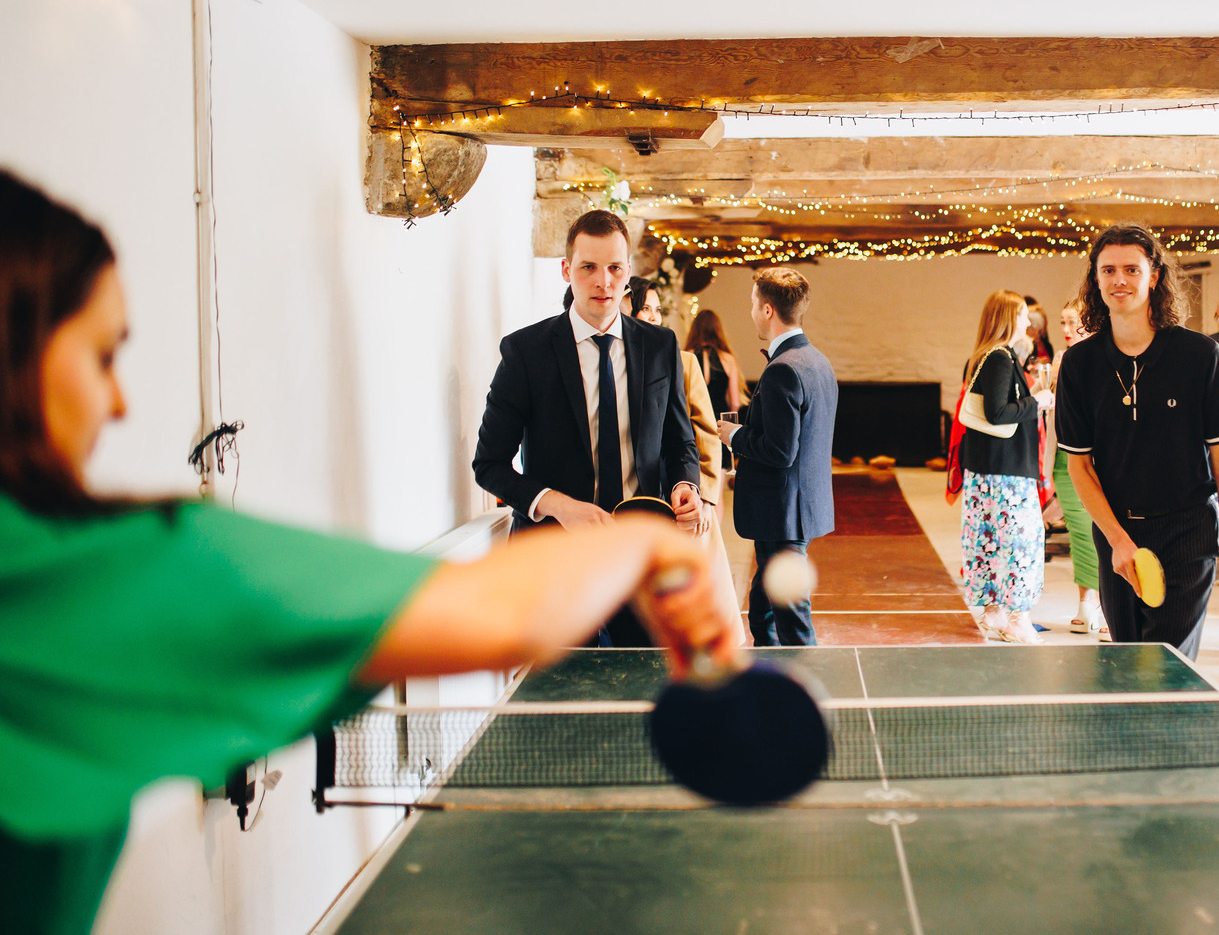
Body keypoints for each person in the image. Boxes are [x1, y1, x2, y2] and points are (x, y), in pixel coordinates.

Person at [0, 172, 737, 935]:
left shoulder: (62, 563)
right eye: (102, 354)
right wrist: (641, 546)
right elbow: (500, 597)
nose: (119, 401)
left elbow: (679, 447)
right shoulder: (99, 573)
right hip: (567, 565)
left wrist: (677, 500)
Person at [473, 210, 705, 647]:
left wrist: (685, 484)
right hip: (556, 559)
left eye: (615, 268)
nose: (604, 282)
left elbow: (680, 441)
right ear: (567, 270)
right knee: (564, 703)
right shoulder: (526, 352)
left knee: (643, 691)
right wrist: (560, 506)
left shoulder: (661, 346)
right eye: (589, 268)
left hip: (642, 556)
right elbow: (489, 464)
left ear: (629, 273)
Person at [1055, 223, 1219, 657]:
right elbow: (1079, 466)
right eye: (1108, 271)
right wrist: (1118, 541)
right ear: (1096, 278)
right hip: (1116, 533)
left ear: (1154, 276)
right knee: (1128, 660)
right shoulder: (1080, 366)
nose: (1119, 280)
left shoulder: (1199, 357)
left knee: (1167, 664)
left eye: (1131, 269)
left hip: (1187, 530)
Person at [717, 268, 838, 646]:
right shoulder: (817, 360)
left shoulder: (783, 370)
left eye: (754, 304)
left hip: (782, 512)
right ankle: (768, 674)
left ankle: (801, 692)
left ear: (768, 310)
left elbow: (780, 450)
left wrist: (734, 435)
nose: (752, 311)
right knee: (763, 608)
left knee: (792, 618)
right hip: (796, 508)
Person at [625, 278, 744, 643]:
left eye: (658, 310)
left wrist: (706, 495)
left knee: (691, 599)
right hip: (627, 501)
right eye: (646, 308)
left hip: (679, 496)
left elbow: (705, 433)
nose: (654, 317)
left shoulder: (684, 360)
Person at [958, 291, 1055, 644]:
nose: (1029, 322)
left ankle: (994, 611)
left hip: (988, 469)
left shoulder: (986, 356)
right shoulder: (1000, 357)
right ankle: (1017, 617)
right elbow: (997, 413)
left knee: (988, 541)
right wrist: (1038, 402)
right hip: (1006, 473)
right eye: (1023, 315)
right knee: (1021, 542)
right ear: (1007, 318)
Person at [1047, 299, 1106, 639]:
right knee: (1081, 533)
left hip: (1099, 459)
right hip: (1063, 458)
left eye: (1073, 323)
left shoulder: (1105, 356)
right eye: (1063, 323)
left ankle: (1110, 604)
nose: (1067, 331)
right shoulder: (1061, 359)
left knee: (1104, 533)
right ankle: (1086, 603)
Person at [684, 309, 745, 470]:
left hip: (693, 424)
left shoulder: (686, 356)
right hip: (720, 425)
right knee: (718, 478)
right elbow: (735, 402)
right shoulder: (727, 358)